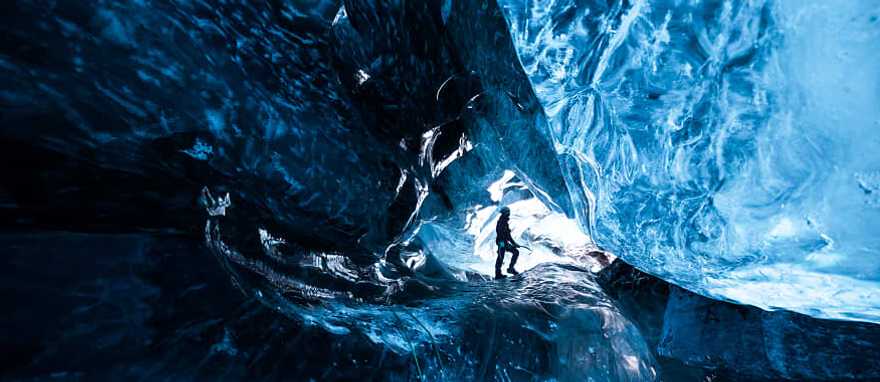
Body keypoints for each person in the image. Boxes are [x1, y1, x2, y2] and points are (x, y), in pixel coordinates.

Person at [495, 206, 520, 279]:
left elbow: (507, 235)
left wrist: (513, 243)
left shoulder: (504, 222)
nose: (509, 214)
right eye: (508, 212)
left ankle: (510, 269)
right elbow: (505, 235)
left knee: (515, 252)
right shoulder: (501, 222)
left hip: (503, 242)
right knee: (501, 256)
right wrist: (512, 243)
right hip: (502, 243)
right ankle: (498, 273)